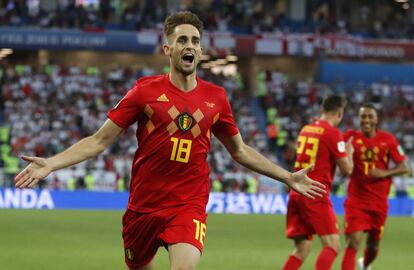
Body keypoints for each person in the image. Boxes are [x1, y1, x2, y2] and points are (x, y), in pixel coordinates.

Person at [14, 11, 326, 270]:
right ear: (168, 49)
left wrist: (287, 176)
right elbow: (98, 141)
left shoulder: (216, 98)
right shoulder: (144, 92)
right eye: (182, 40)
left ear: (201, 51)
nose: (190, 46)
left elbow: (240, 151)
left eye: (195, 41)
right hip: (143, 207)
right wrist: (51, 163)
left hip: (188, 202)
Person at [282, 95, 354, 270]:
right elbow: (347, 170)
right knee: (332, 245)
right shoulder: (332, 133)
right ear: (340, 113)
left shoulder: (306, 129)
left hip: (296, 193)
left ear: (322, 109)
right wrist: (350, 151)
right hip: (315, 192)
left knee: (301, 249)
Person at [341, 103, 409, 270]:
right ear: (359, 119)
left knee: (373, 246)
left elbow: (405, 167)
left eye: (370, 116)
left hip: (379, 203)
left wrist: (384, 173)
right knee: (353, 242)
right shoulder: (350, 137)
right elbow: (331, 139)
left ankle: (364, 265)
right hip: (356, 200)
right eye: (363, 116)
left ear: (377, 119)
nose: (366, 120)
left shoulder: (388, 139)